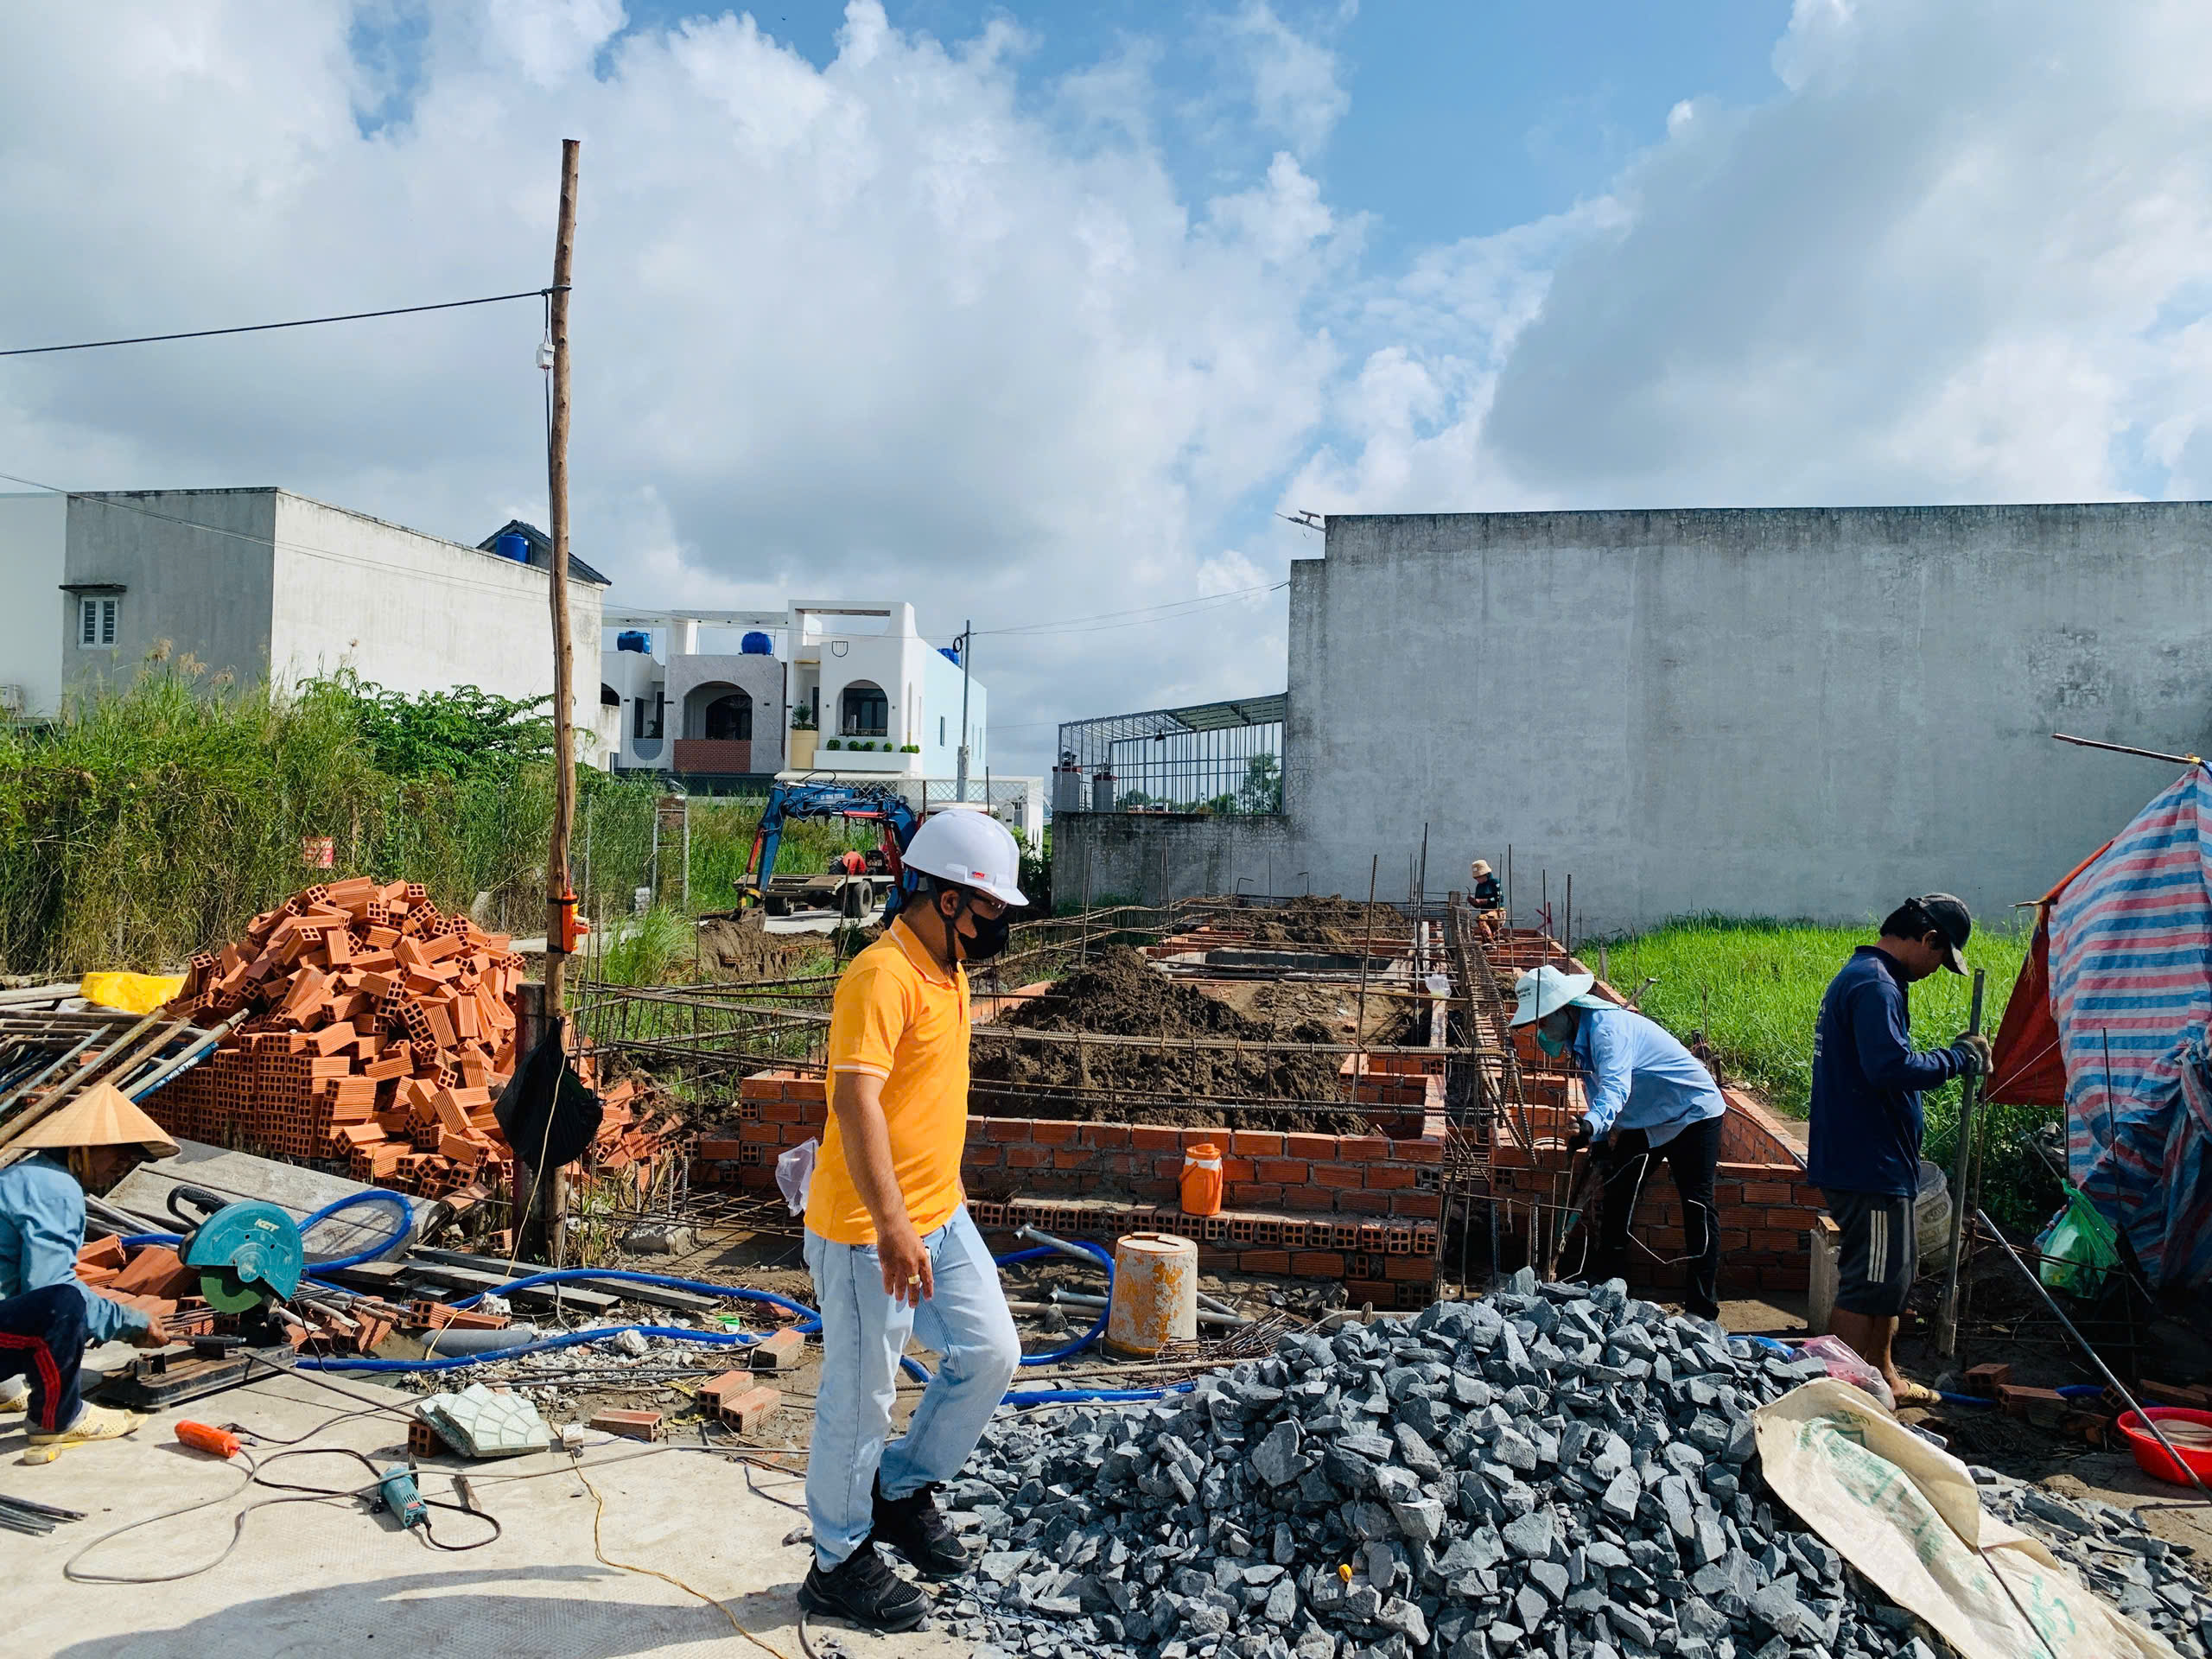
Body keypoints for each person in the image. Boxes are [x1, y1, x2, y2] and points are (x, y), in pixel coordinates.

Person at [798, 809, 1027, 1633]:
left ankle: (897, 1490)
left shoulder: (948, 968)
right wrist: (893, 1225)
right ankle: (837, 1561)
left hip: (939, 1214)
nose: (999, 923)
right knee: (861, 1397)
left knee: (991, 1353)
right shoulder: (881, 975)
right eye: (991, 906)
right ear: (945, 898)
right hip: (867, 1228)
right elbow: (855, 1102)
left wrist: (933, 1203)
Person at [1809, 894, 1990, 1407]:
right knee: (1868, 1281)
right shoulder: (1874, 984)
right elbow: (1890, 1067)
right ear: (1929, 939)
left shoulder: (1871, 976)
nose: (1936, 970)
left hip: (1877, 1158)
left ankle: (1884, 1376)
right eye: (1940, 958)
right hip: (1868, 1162)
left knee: (1891, 1277)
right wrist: (1957, 1059)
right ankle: (1837, 1395)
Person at [1510, 963, 1730, 1319]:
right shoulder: (1579, 1038)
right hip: (1649, 1119)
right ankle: (1609, 1287)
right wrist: (1597, 1138)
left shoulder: (1607, 1029)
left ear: (1565, 1009)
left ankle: (1702, 1308)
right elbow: (1595, 1087)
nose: (1542, 1030)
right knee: (1618, 1192)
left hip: (1693, 1112)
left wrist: (1589, 1124)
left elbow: (1615, 1087)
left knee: (1697, 1205)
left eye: (1544, 1020)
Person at [0, 1082, 176, 1449]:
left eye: (131, 1160)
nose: (122, 1167)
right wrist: (129, 1322)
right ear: (84, 1147)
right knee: (63, 1305)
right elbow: (48, 1290)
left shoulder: (24, 1176)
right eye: (120, 1155)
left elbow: (15, 1284)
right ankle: (58, 1419)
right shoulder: (56, 1189)